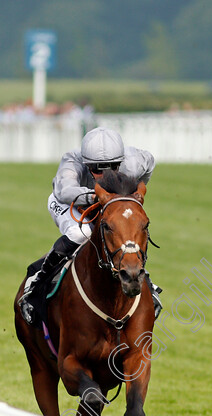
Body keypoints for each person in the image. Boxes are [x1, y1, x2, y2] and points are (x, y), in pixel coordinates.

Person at [17, 127, 161, 325]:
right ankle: (36, 284)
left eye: (112, 166)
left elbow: (150, 164)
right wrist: (99, 197)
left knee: (126, 234)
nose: (104, 174)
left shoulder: (134, 161)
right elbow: (64, 191)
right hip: (68, 202)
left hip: (111, 201)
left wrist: (133, 197)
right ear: (86, 163)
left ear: (121, 161)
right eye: (96, 169)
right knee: (81, 232)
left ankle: (148, 286)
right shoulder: (72, 160)